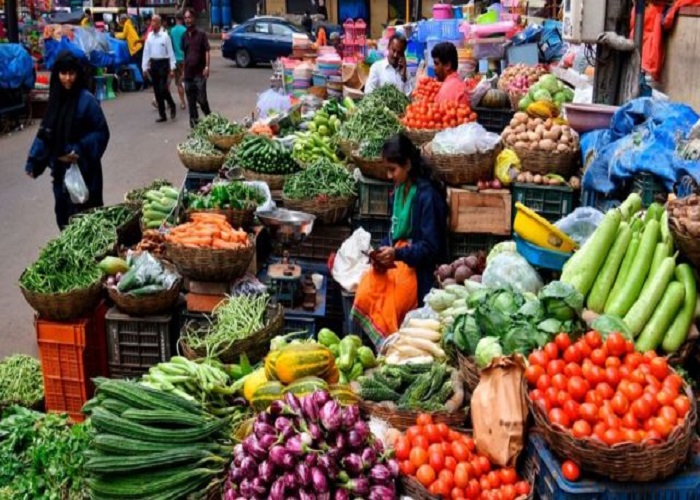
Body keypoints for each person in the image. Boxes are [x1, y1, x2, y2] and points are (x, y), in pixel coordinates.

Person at [351, 133, 448, 346]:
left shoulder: (427, 196)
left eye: (392, 169)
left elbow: (431, 248)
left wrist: (398, 254)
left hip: (420, 271)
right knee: (366, 288)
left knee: (393, 302)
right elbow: (392, 232)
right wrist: (384, 253)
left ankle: (391, 344)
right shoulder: (400, 190)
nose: (388, 175)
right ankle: (381, 344)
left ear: (408, 165)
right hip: (401, 259)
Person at [24, 52, 110, 230]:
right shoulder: (55, 100)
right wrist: (34, 162)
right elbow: (46, 132)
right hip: (61, 172)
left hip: (86, 172)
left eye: (72, 73)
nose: (68, 79)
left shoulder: (87, 101)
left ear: (78, 74)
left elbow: (101, 132)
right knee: (65, 220)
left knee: (88, 221)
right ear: (57, 75)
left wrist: (78, 149)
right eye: (63, 74)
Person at [142, 15, 177, 123]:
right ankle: (162, 115)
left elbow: (171, 53)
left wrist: (172, 68)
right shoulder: (150, 37)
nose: (152, 23)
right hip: (154, 64)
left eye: (154, 21)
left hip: (163, 64)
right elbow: (146, 53)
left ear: (159, 23)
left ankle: (172, 104)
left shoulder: (165, 36)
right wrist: (145, 67)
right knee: (157, 91)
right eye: (151, 21)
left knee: (163, 88)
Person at [182, 8, 211, 128]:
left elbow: (207, 51)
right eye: (186, 18)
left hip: (199, 73)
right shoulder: (184, 36)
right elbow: (185, 55)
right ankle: (195, 128)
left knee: (202, 100)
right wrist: (183, 72)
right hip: (188, 75)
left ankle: (210, 118)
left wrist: (207, 66)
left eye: (189, 17)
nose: (187, 20)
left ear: (194, 19)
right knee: (191, 103)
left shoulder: (201, 34)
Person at [170, 13, 187, 110]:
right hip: (185, 59)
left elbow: (171, 46)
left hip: (176, 59)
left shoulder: (172, 31)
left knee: (179, 82)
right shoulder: (185, 30)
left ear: (175, 19)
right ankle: (194, 101)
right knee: (188, 81)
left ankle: (182, 102)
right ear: (183, 19)